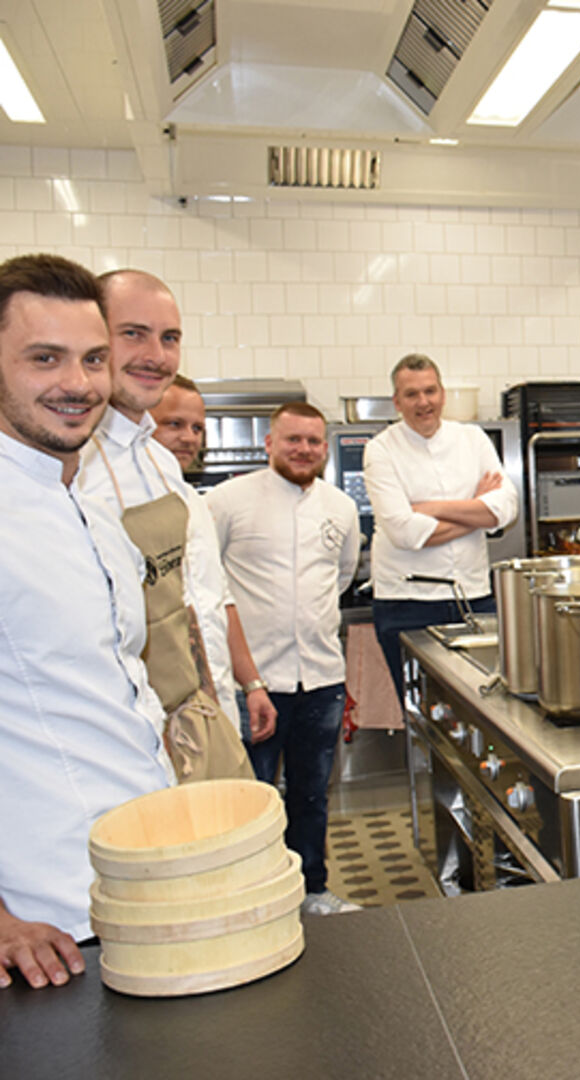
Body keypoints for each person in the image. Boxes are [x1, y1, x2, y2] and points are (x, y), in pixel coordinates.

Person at [0, 253, 175, 990]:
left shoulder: (96, 511)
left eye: (93, 359)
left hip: (145, 891)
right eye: (45, 359)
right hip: (51, 927)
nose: (76, 384)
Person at [78, 269, 269, 780]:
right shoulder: (74, 464)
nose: (156, 355)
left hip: (195, 717)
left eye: (170, 338)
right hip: (124, 737)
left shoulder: (159, 465)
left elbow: (194, 605)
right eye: (133, 333)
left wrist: (227, 695)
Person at [207, 402, 363, 917]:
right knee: (252, 800)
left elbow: (340, 579)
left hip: (320, 678)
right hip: (252, 682)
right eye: (293, 440)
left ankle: (311, 890)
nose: (304, 450)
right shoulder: (228, 501)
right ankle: (254, 901)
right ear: (269, 443)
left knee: (312, 796)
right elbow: (210, 587)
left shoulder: (339, 507)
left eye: (314, 442)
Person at [365, 353, 518, 695]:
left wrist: (431, 509)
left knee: (484, 701)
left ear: (443, 394)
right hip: (406, 603)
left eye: (430, 391)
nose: (424, 402)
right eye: (412, 394)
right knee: (420, 710)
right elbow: (405, 532)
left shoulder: (473, 439)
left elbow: (506, 508)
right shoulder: (380, 450)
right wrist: (476, 513)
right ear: (397, 402)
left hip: (474, 597)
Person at [150, 373, 206, 473]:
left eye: (197, 428)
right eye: (175, 424)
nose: (190, 438)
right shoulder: (119, 484)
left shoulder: (181, 487)